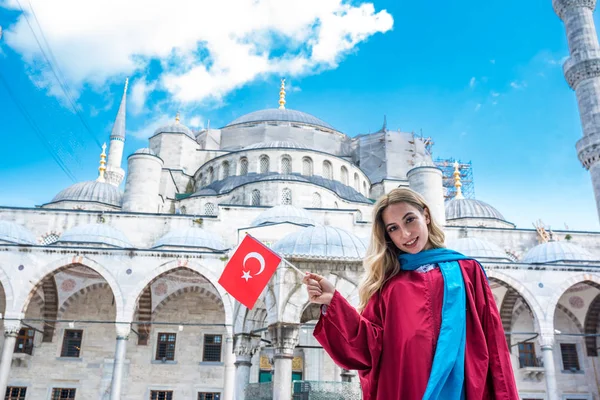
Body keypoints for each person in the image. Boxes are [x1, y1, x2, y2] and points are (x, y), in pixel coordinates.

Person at [303, 188, 519, 400]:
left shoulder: (467, 271)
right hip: (406, 387)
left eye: (409, 220)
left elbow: (494, 344)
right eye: (393, 228)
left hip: (463, 388)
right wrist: (334, 302)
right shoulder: (388, 285)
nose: (405, 234)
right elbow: (367, 347)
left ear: (425, 215)